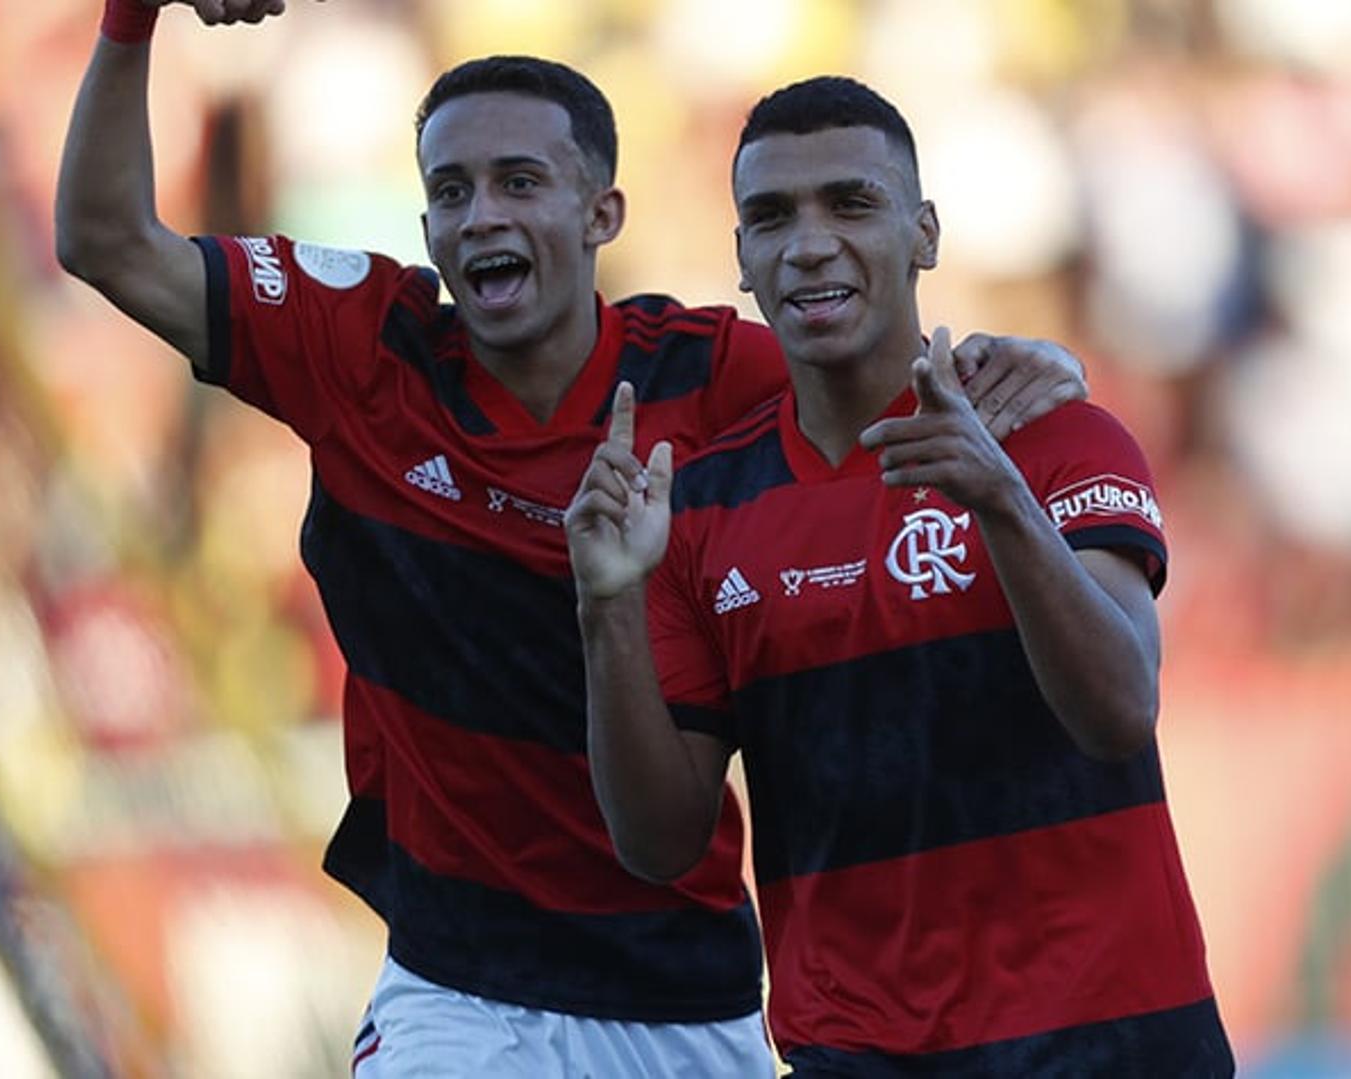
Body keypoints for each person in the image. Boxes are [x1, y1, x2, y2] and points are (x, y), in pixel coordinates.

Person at [53, 2, 1088, 1073]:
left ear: (603, 213)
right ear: (424, 229)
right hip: (459, 991)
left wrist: (1017, 369)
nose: (481, 214)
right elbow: (103, 239)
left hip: (685, 997)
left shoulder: (713, 374)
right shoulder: (360, 350)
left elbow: (895, 389)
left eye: (519, 182)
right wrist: (133, 17)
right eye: (450, 191)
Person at [567, 75, 1234, 1075]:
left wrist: (1002, 502)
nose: (808, 241)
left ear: (923, 232)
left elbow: (1119, 710)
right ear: (743, 260)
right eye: (770, 216)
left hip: (1114, 1037)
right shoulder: (700, 509)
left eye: (851, 202)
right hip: (861, 1048)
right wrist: (607, 607)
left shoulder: (1057, 440)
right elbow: (659, 842)